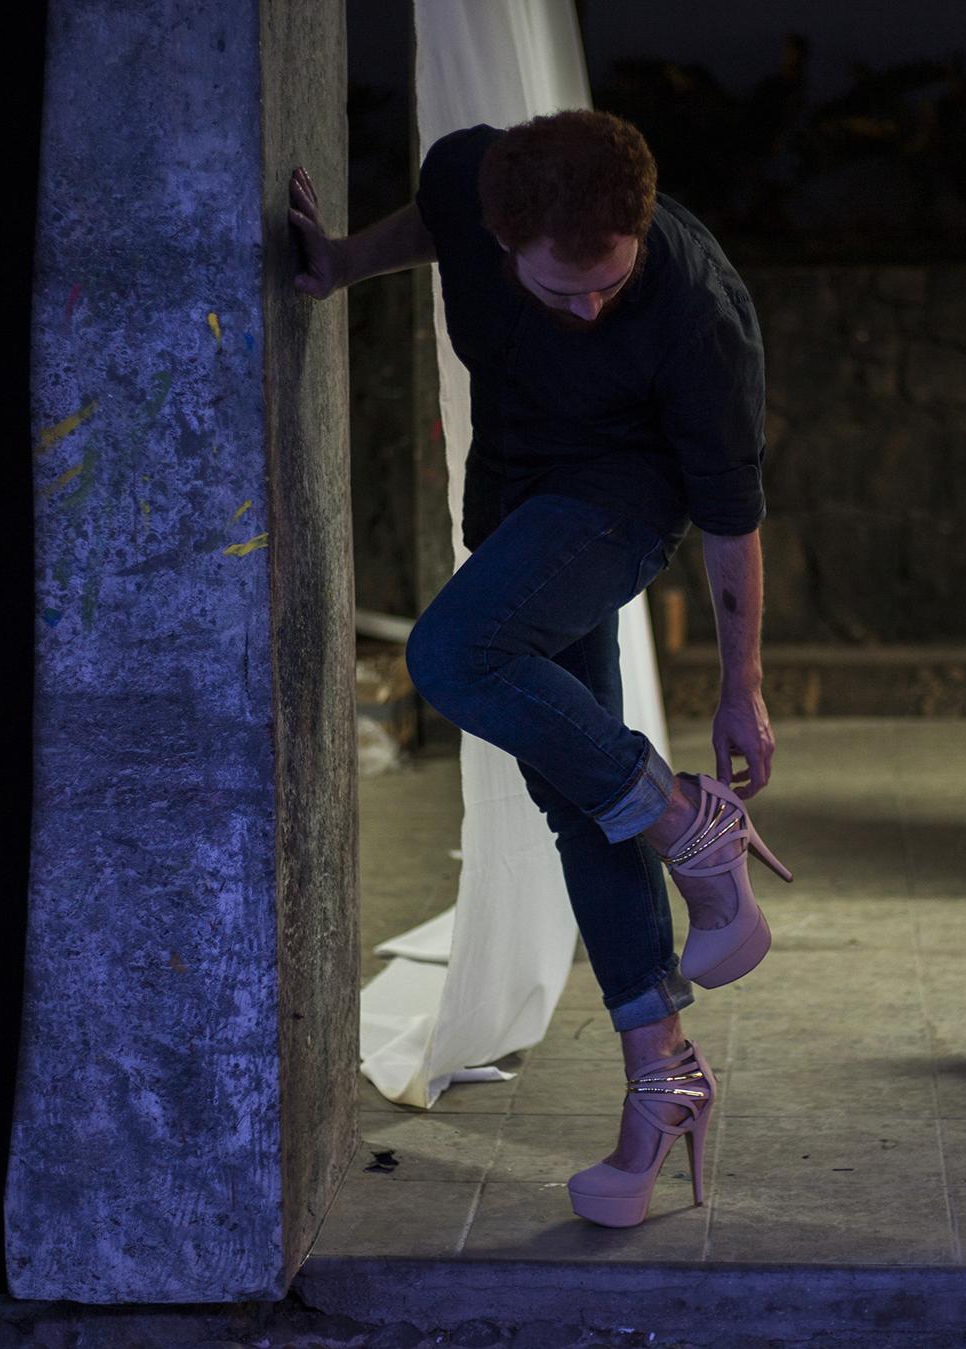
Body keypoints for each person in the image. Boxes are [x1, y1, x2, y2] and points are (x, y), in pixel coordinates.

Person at [290, 109, 788, 1227]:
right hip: (514, 493)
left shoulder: (698, 313)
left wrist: (740, 684)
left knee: (452, 654)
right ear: (505, 235)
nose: (593, 306)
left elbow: (730, 518)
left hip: (621, 502)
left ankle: (693, 829)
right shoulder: (470, 178)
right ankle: (662, 1088)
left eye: (610, 282)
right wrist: (336, 267)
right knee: (578, 800)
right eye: (565, 292)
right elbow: (431, 224)